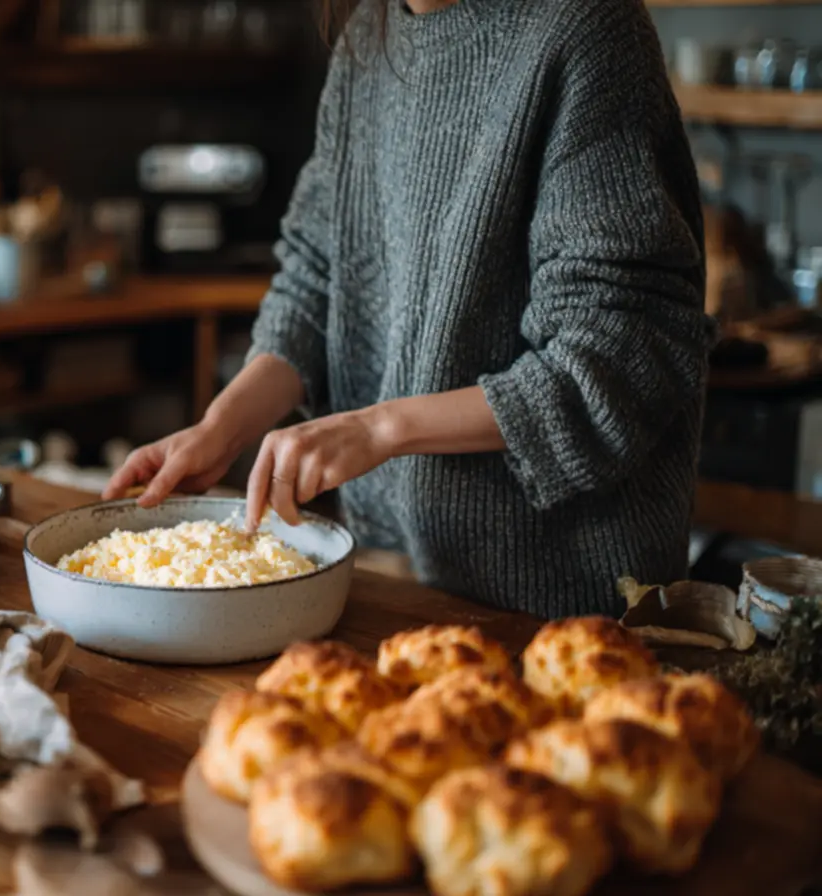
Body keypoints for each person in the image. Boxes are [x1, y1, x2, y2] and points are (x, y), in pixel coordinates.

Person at [104, 0, 715, 618]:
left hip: (569, 609)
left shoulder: (584, 27)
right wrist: (221, 428)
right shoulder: (369, 39)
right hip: (401, 578)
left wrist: (379, 428)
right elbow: (319, 276)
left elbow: (617, 351)